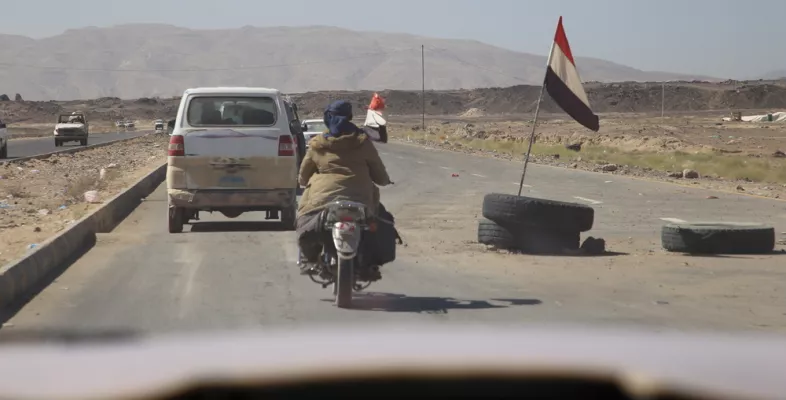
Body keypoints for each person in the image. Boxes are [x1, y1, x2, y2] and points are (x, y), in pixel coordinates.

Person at [296, 100, 392, 274]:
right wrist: (385, 180)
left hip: (321, 201)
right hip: (361, 200)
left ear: (327, 117)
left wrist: (303, 182)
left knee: (304, 221)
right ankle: (368, 262)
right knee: (381, 221)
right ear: (349, 117)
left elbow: (303, 176)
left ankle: (309, 258)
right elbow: (379, 175)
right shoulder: (363, 142)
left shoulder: (318, 144)